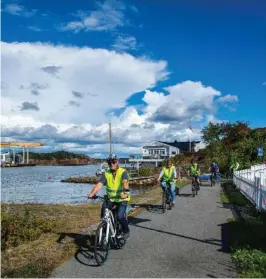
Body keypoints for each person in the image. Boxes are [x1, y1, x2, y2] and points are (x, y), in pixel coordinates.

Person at [87, 154, 130, 240]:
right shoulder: (106, 173)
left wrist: (125, 192)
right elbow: (99, 185)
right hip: (110, 198)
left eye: (113, 162)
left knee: (119, 216)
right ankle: (105, 231)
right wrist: (91, 193)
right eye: (109, 163)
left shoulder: (123, 172)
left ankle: (126, 231)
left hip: (122, 199)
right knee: (103, 216)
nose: (112, 164)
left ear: (117, 162)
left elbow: (125, 183)